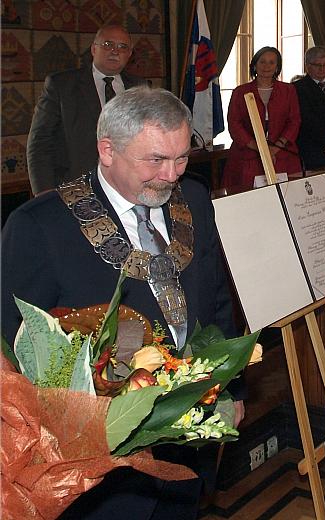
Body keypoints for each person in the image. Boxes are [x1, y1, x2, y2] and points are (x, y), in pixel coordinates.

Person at [3, 87, 241, 518]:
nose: (171, 175)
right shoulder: (39, 226)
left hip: (190, 437)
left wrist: (232, 387)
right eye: (155, 160)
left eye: (182, 157)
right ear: (107, 150)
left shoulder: (196, 201)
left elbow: (215, 300)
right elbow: (12, 355)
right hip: (101, 468)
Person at [26, 24, 148, 195]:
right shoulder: (61, 85)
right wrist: (44, 194)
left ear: (129, 54)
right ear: (93, 49)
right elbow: (40, 142)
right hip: (75, 190)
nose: (115, 51)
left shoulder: (140, 87)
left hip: (127, 189)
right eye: (108, 45)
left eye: (123, 47)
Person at [222, 46, 301, 188]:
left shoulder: (288, 90)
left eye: (272, 62)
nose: (267, 66)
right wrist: (261, 149)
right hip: (248, 156)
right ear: (255, 65)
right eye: (262, 62)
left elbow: (294, 121)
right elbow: (234, 124)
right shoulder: (240, 92)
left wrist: (274, 149)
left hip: (282, 156)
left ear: (277, 67)